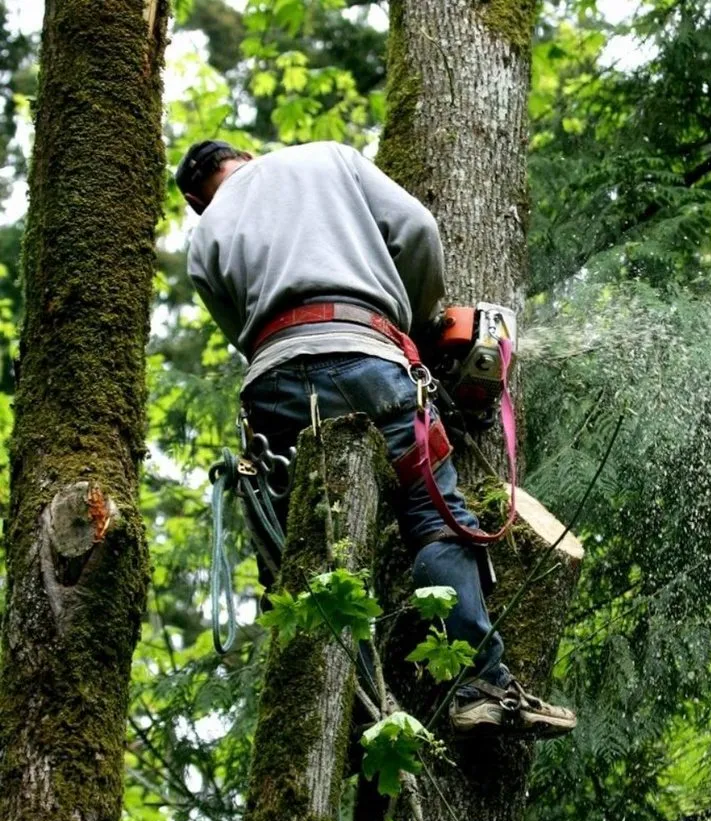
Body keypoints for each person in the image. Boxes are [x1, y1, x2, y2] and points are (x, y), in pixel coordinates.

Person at [178, 139, 575, 739]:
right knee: (434, 517)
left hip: (273, 388)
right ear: (250, 155)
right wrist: (413, 321)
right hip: (368, 356)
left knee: (301, 555)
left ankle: (325, 721)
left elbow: (241, 331)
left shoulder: (203, 238)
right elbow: (416, 228)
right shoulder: (327, 158)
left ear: (193, 198)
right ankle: (479, 687)